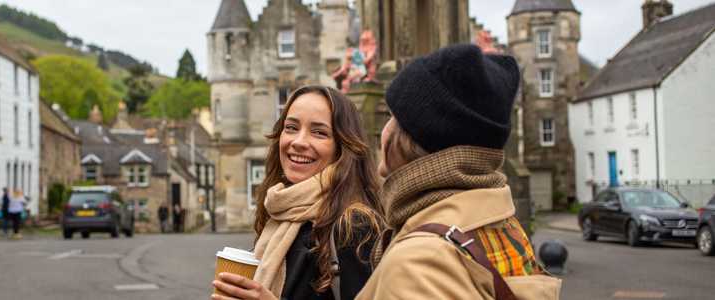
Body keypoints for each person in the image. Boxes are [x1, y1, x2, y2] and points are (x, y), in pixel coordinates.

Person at [356, 44, 561, 299]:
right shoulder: (501, 223)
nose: (384, 129)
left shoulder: (419, 265)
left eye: (392, 116)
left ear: (408, 138)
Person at [212, 86, 385, 300]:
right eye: (291, 127)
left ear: (343, 147)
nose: (299, 142)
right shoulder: (280, 213)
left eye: (319, 132)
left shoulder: (355, 225)